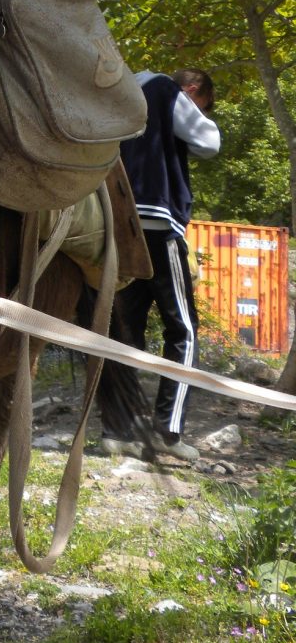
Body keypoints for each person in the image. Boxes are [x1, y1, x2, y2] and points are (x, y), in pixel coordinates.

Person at [101, 68, 221, 462]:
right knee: (183, 330)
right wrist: (189, 112)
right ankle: (169, 432)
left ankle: (116, 431)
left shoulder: (122, 89)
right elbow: (208, 142)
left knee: (123, 330)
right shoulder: (166, 90)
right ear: (193, 91)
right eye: (201, 103)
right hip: (158, 222)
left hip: (118, 220)